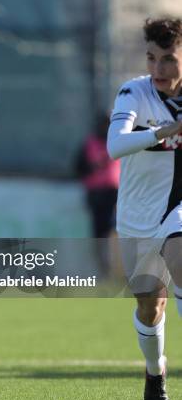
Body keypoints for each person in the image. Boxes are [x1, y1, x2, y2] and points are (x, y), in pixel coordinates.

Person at [107, 17, 182, 400]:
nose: (158, 69)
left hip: (178, 209)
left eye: (168, 59)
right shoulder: (133, 91)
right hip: (138, 212)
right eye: (151, 58)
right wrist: (167, 131)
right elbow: (115, 147)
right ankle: (155, 373)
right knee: (149, 304)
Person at [76, 113, 120, 277]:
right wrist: (94, 167)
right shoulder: (89, 144)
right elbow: (79, 168)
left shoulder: (119, 141)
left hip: (115, 193)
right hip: (97, 194)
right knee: (99, 234)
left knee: (116, 230)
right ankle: (104, 271)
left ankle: (119, 270)